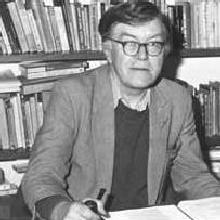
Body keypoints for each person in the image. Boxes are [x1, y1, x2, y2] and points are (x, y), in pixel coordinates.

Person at [21, 2, 220, 220]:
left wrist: (216, 203)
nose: (143, 56)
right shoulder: (72, 95)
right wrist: (62, 209)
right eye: (129, 43)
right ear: (108, 51)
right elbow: (41, 174)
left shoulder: (177, 99)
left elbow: (192, 176)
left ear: (164, 51)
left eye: (154, 44)